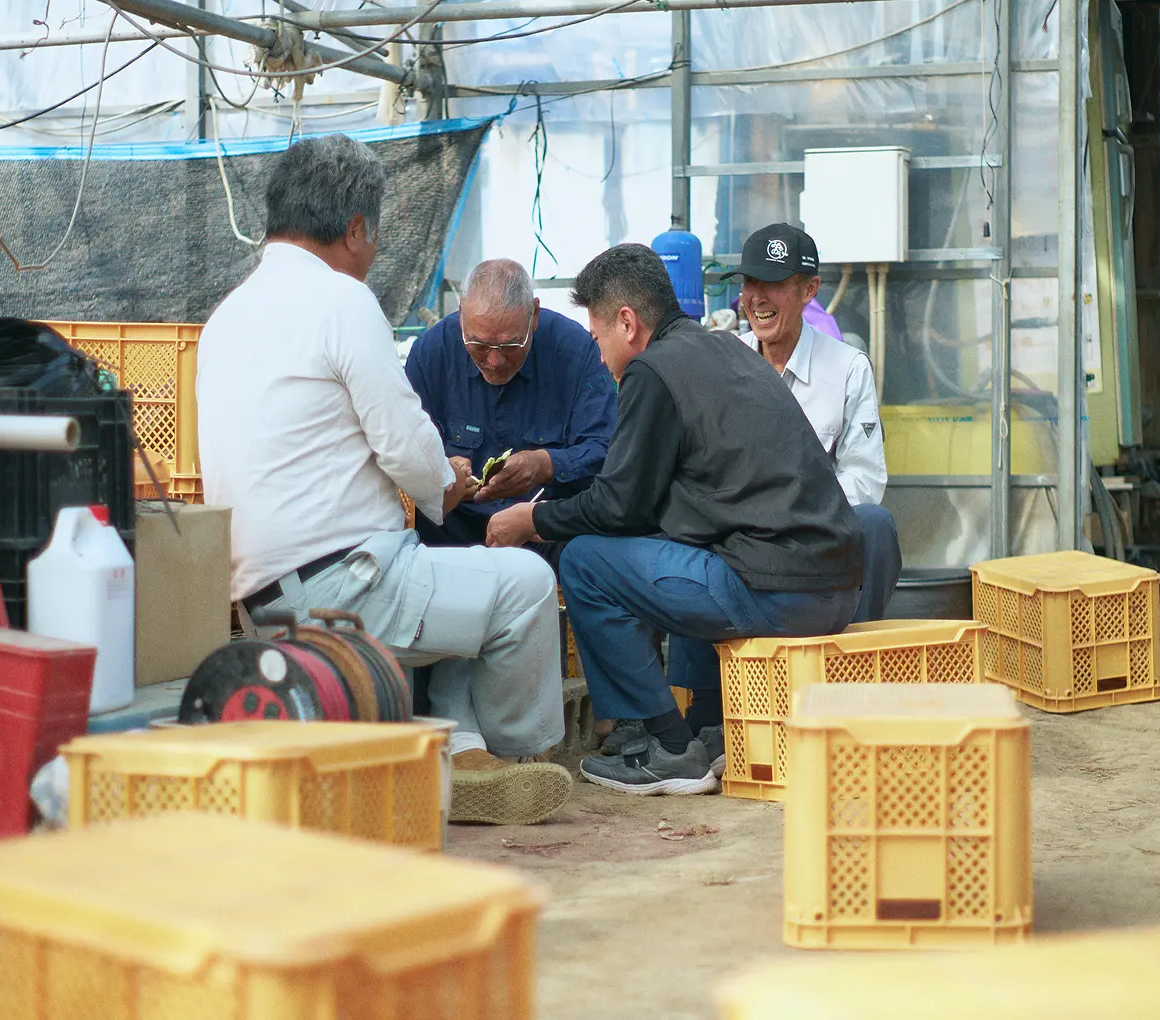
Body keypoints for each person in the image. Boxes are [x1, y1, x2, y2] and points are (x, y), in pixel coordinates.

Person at [196, 135, 572, 826]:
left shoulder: (226, 317)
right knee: (522, 585)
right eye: (374, 237)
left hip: (258, 598)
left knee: (462, 587)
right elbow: (406, 446)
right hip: (344, 588)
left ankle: (464, 750)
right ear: (356, 228)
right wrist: (447, 480)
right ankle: (527, 757)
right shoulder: (341, 302)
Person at [485, 243, 864, 796]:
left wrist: (534, 518)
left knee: (586, 560)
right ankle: (708, 729)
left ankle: (663, 746)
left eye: (597, 340)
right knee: (674, 551)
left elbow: (619, 507)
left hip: (778, 593)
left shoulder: (651, 371)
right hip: (836, 587)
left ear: (627, 323)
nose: (598, 356)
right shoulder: (729, 350)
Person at [655, 224, 903, 763]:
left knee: (876, 525)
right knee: (690, 534)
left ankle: (848, 686)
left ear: (809, 290)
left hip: (816, 535)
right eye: (749, 284)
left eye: (774, 284)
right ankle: (709, 709)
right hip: (740, 533)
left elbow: (866, 479)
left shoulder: (846, 369)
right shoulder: (722, 360)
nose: (756, 299)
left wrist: (795, 512)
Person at [405, 259, 618, 570]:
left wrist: (546, 464)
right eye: (478, 345)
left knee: (592, 556)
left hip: (543, 531)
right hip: (453, 533)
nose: (494, 360)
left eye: (511, 345)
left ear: (534, 315)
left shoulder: (575, 351)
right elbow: (400, 452)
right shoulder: (432, 352)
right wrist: (441, 475)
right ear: (462, 312)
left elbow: (608, 451)